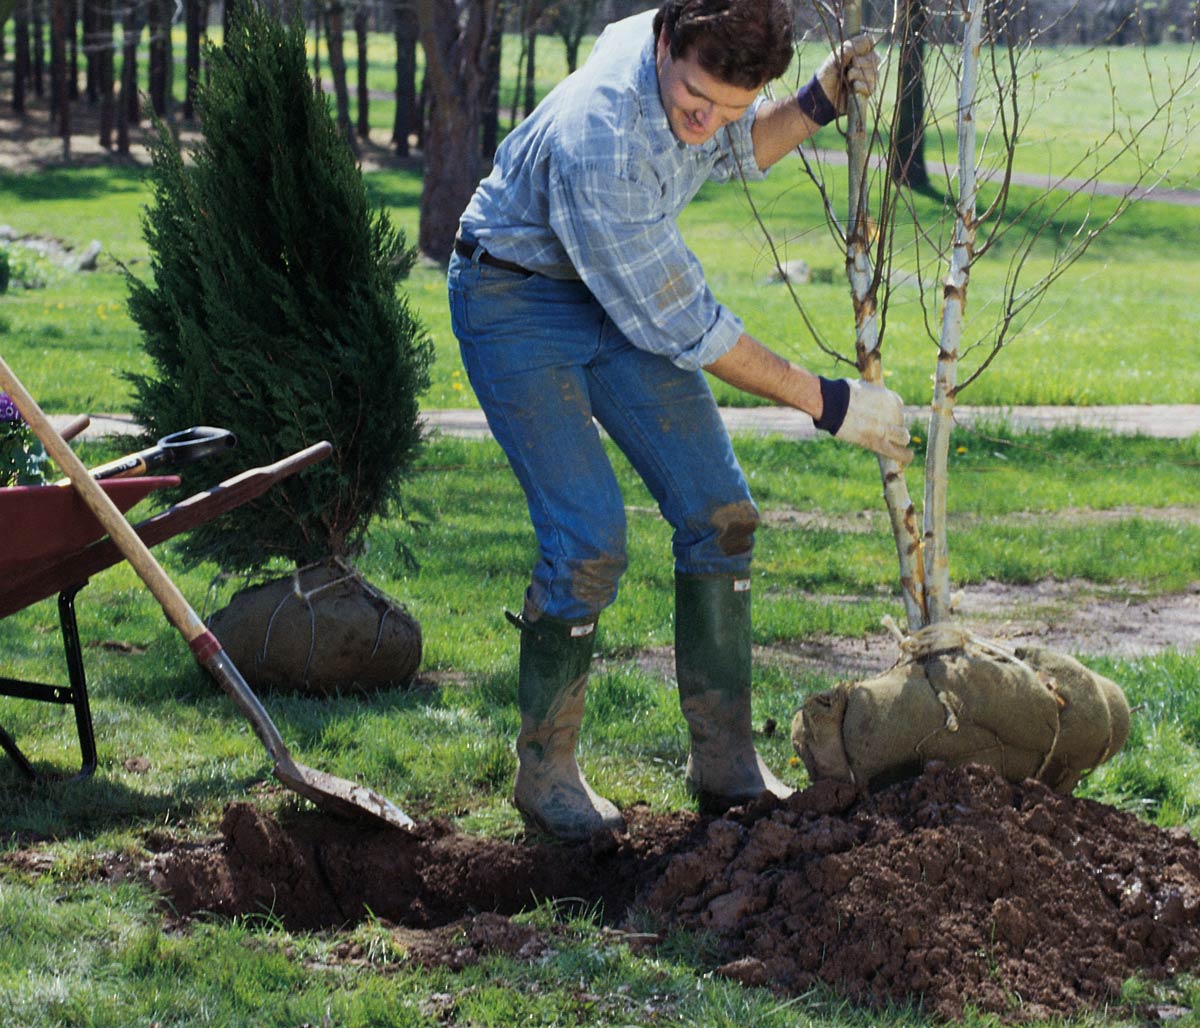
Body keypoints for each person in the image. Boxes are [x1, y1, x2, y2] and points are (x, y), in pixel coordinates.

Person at [448, 0, 911, 841]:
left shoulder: (691, 67)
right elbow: (689, 325)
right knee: (588, 538)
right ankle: (546, 776)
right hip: (512, 295)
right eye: (695, 100)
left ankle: (726, 762)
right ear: (664, 43)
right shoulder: (603, 141)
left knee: (720, 512)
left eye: (728, 107)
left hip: (606, 292)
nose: (705, 124)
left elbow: (730, 149)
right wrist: (829, 402)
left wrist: (815, 101)